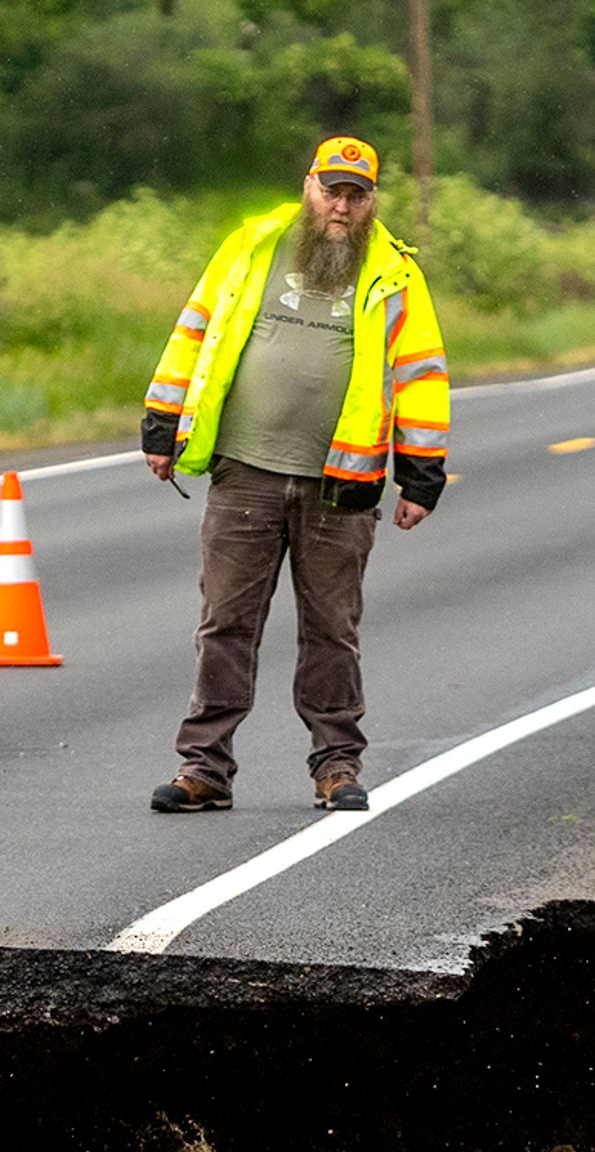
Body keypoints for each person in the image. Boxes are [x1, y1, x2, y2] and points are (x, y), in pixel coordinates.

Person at [140, 135, 449, 814]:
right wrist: (163, 424)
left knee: (331, 629)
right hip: (245, 469)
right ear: (308, 185)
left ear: (373, 200)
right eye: (331, 190)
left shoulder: (394, 273)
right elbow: (195, 333)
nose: (341, 206)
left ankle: (337, 765)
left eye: (356, 195)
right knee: (225, 622)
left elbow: (420, 374)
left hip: (342, 482)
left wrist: (421, 473)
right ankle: (204, 767)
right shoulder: (251, 247)